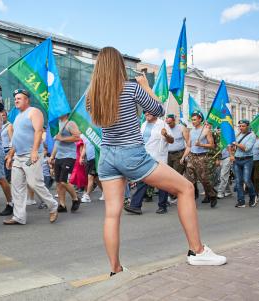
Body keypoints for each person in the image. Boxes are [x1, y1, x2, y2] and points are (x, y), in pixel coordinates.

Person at [87, 47, 226, 275]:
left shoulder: (92, 96)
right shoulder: (131, 88)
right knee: (186, 188)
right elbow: (159, 110)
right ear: (118, 66)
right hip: (131, 154)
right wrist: (146, 87)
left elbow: (99, 122)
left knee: (112, 213)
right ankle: (197, 251)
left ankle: (115, 269)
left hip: (107, 156)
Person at [3, 89, 58, 225]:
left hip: (29, 156)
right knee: (16, 186)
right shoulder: (17, 117)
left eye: (19, 98)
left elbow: (39, 131)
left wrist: (34, 151)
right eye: (15, 98)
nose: (16, 100)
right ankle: (19, 217)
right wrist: (10, 155)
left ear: (27, 100)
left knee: (34, 183)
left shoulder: (34, 112)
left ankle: (53, 206)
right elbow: (16, 138)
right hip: (18, 157)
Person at [124, 111, 174, 214]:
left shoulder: (163, 124)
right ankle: (135, 206)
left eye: (149, 112)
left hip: (158, 158)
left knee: (162, 183)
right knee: (142, 181)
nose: (146, 114)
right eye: (145, 113)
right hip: (145, 157)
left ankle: (162, 206)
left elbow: (171, 140)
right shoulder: (143, 124)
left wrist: (166, 135)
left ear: (155, 113)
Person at [184, 111, 218, 208]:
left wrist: (201, 144)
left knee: (204, 180)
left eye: (195, 120)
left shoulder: (206, 130)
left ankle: (212, 195)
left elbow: (212, 145)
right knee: (189, 180)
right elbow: (189, 146)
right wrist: (183, 157)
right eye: (192, 120)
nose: (193, 121)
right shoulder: (192, 131)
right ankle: (191, 199)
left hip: (202, 157)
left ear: (200, 119)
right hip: (192, 157)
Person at [49, 114, 82, 213]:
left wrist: (62, 138)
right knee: (59, 182)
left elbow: (77, 137)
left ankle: (76, 199)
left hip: (69, 156)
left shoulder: (70, 123)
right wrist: (52, 156)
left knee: (64, 181)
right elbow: (57, 143)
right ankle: (62, 205)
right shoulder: (57, 124)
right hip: (59, 156)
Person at [233, 119, 257, 208]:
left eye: (243, 126)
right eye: (240, 126)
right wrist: (232, 147)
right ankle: (241, 201)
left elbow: (247, 148)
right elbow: (234, 147)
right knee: (238, 181)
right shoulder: (238, 134)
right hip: (237, 160)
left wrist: (236, 143)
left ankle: (253, 197)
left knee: (246, 180)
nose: (241, 128)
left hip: (247, 160)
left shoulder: (252, 135)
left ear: (248, 126)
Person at [80, 134, 102, 203]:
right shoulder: (85, 134)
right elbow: (84, 147)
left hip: (96, 158)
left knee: (90, 176)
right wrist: (81, 157)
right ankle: (105, 192)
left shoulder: (95, 132)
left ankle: (87, 196)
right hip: (89, 159)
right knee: (96, 177)